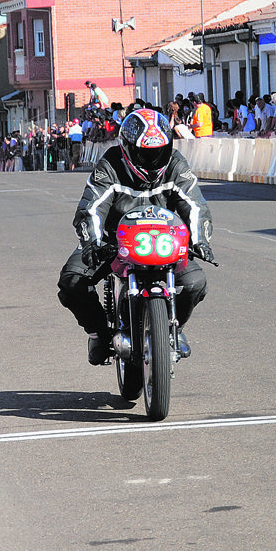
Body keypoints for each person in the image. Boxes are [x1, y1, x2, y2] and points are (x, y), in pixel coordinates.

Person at [57, 109, 214, 365]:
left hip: (164, 242)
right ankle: (99, 333)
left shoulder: (175, 164)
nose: (152, 158)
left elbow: (195, 205)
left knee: (196, 283)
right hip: (111, 243)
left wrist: (200, 240)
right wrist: (93, 242)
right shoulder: (109, 165)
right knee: (72, 283)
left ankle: (173, 328)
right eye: (146, 152)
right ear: (128, 147)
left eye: (159, 151)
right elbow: (91, 207)